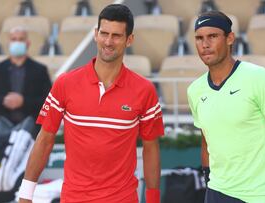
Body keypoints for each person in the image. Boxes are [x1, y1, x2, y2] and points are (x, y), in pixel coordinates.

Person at [18, 4, 164, 203]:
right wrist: (25, 195)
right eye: (104, 33)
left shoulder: (144, 90)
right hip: (74, 198)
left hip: (122, 198)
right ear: (95, 34)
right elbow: (44, 140)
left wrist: (153, 199)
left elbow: (151, 148)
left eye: (116, 36)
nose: (108, 42)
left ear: (129, 40)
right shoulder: (65, 83)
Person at [187, 10, 265, 203]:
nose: (205, 44)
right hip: (216, 193)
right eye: (199, 38)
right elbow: (207, 140)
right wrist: (208, 183)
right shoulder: (194, 90)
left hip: (261, 196)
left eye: (212, 36)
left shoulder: (260, 79)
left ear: (230, 38)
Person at [0, 26, 52, 132]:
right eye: (14, 39)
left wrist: (24, 101)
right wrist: (3, 100)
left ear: (28, 43)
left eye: (21, 39)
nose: (17, 42)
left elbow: (48, 102)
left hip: (31, 127)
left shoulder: (40, 70)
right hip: (1, 127)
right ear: (9, 43)